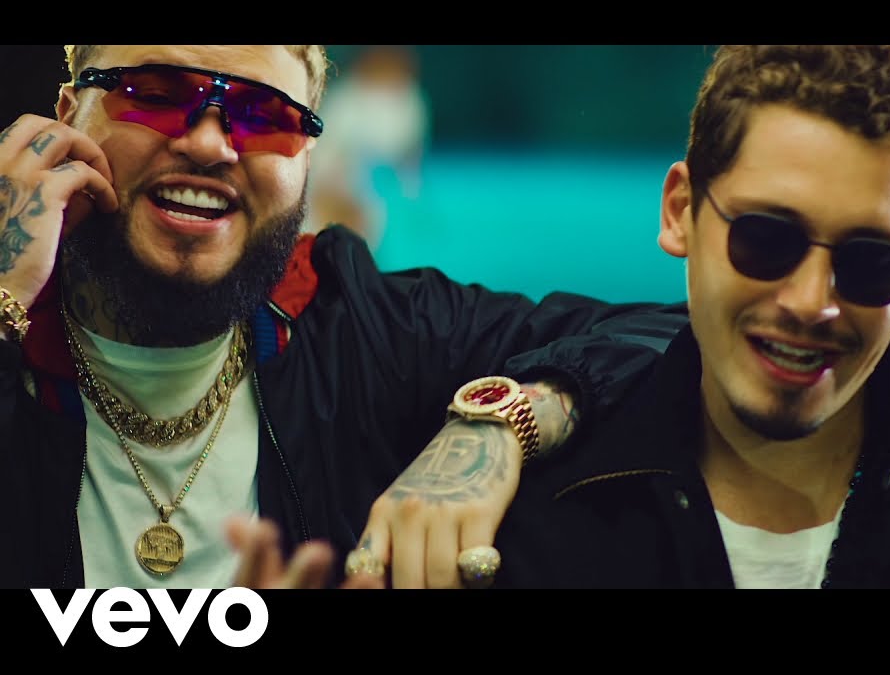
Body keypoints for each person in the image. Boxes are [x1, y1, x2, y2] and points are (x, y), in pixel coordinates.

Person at [0, 44, 686, 589]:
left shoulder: (373, 331)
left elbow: (677, 338)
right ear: (67, 116)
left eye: (263, 115)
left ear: (308, 160)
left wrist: (502, 423)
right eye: (154, 95)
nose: (210, 144)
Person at [479, 44, 890, 589]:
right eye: (766, 238)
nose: (812, 301)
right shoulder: (522, 518)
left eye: (873, 262)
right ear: (681, 211)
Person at [305, 45, 429, 252]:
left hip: (376, 184)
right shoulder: (346, 98)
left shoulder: (410, 101)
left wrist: (409, 187)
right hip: (335, 176)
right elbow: (325, 148)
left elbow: (410, 152)